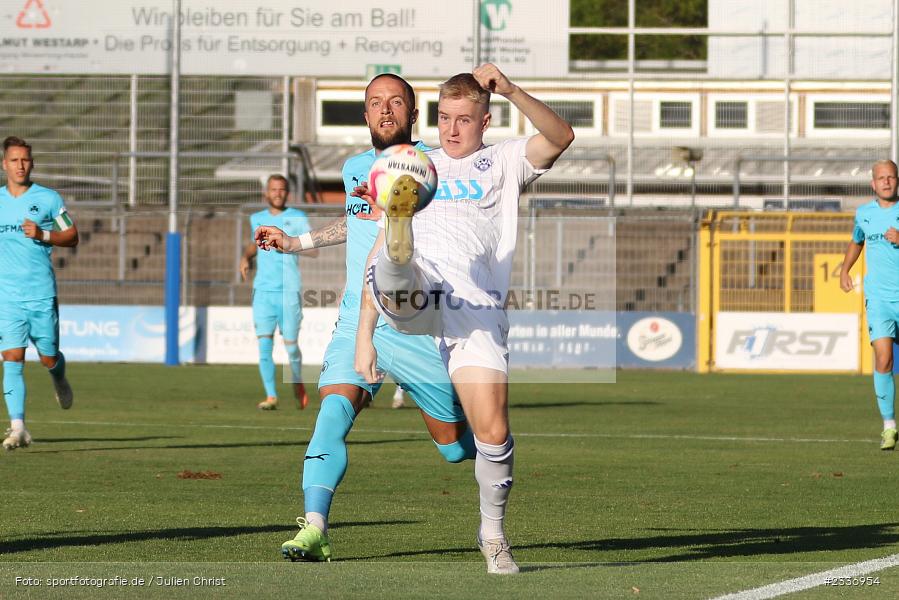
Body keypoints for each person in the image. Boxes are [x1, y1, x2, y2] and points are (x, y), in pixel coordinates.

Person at [358, 64, 574, 574]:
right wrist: (364, 337)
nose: (451, 129)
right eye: (443, 117)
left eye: (463, 119)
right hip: (419, 288)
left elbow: (561, 136)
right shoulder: (413, 165)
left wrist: (512, 87)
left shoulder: (503, 161)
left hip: (473, 310)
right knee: (396, 261)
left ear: (485, 119)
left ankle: (493, 533)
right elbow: (366, 249)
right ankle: (400, 252)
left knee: (493, 433)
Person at [253, 73, 475, 563]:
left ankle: (495, 448)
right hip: (359, 318)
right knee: (332, 413)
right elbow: (353, 221)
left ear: (414, 114)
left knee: (454, 449)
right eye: (375, 103)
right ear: (365, 114)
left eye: (396, 102)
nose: (385, 110)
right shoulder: (356, 168)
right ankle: (314, 528)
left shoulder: (437, 168)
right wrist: (296, 242)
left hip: (418, 324)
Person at [0, 136, 78, 450]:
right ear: (4, 164)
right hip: (7, 296)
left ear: (32, 163)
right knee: (12, 359)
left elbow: (72, 235)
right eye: (14, 160)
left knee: (47, 357)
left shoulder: (48, 199)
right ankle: (18, 427)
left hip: (41, 293)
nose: (20, 165)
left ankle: (58, 376)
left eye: (25, 160)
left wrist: (44, 233)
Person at [239, 174, 318, 410]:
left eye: (281, 189)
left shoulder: (297, 218)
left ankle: (297, 381)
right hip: (262, 291)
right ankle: (271, 396)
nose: (277, 193)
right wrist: (246, 256)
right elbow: (256, 242)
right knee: (264, 345)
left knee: (291, 346)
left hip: (288, 290)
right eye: (273, 189)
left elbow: (313, 250)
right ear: (266, 193)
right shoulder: (257, 219)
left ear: (287, 193)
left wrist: (290, 246)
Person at [841, 159, 899, 450]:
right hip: (878, 299)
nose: (886, 181)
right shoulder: (864, 214)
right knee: (884, 359)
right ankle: (889, 427)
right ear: (873, 184)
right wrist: (844, 269)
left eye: (891, 176)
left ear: (897, 180)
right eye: (881, 178)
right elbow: (857, 241)